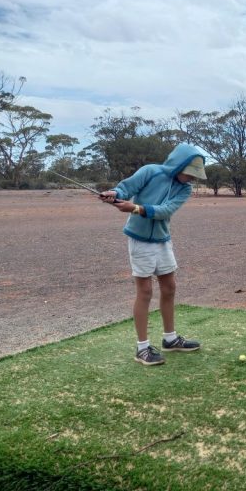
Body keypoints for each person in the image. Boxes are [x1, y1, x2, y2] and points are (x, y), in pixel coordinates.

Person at [100, 143, 208, 366]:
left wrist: (136, 208)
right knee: (145, 291)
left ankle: (170, 339)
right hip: (140, 240)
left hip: (162, 239)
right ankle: (142, 348)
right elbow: (127, 188)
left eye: (193, 175)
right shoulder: (150, 171)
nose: (190, 179)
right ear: (178, 164)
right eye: (189, 173)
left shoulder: (184, 189)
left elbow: (166, 211)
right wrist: (115, 194)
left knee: (169, 287)